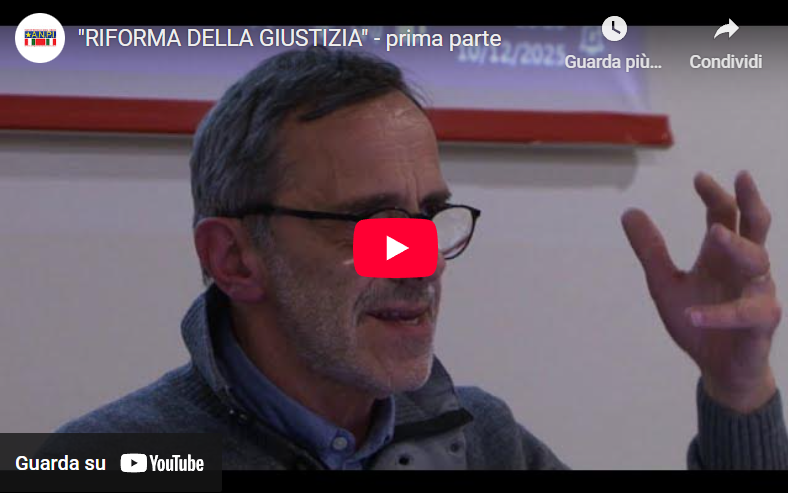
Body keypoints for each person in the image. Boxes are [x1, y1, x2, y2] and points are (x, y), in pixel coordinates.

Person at [52, 46, 787, 469]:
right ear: (234, 258)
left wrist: (738, 388)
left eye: (429, 217)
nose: (419, 261)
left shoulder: (481, 441)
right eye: (371, 221)